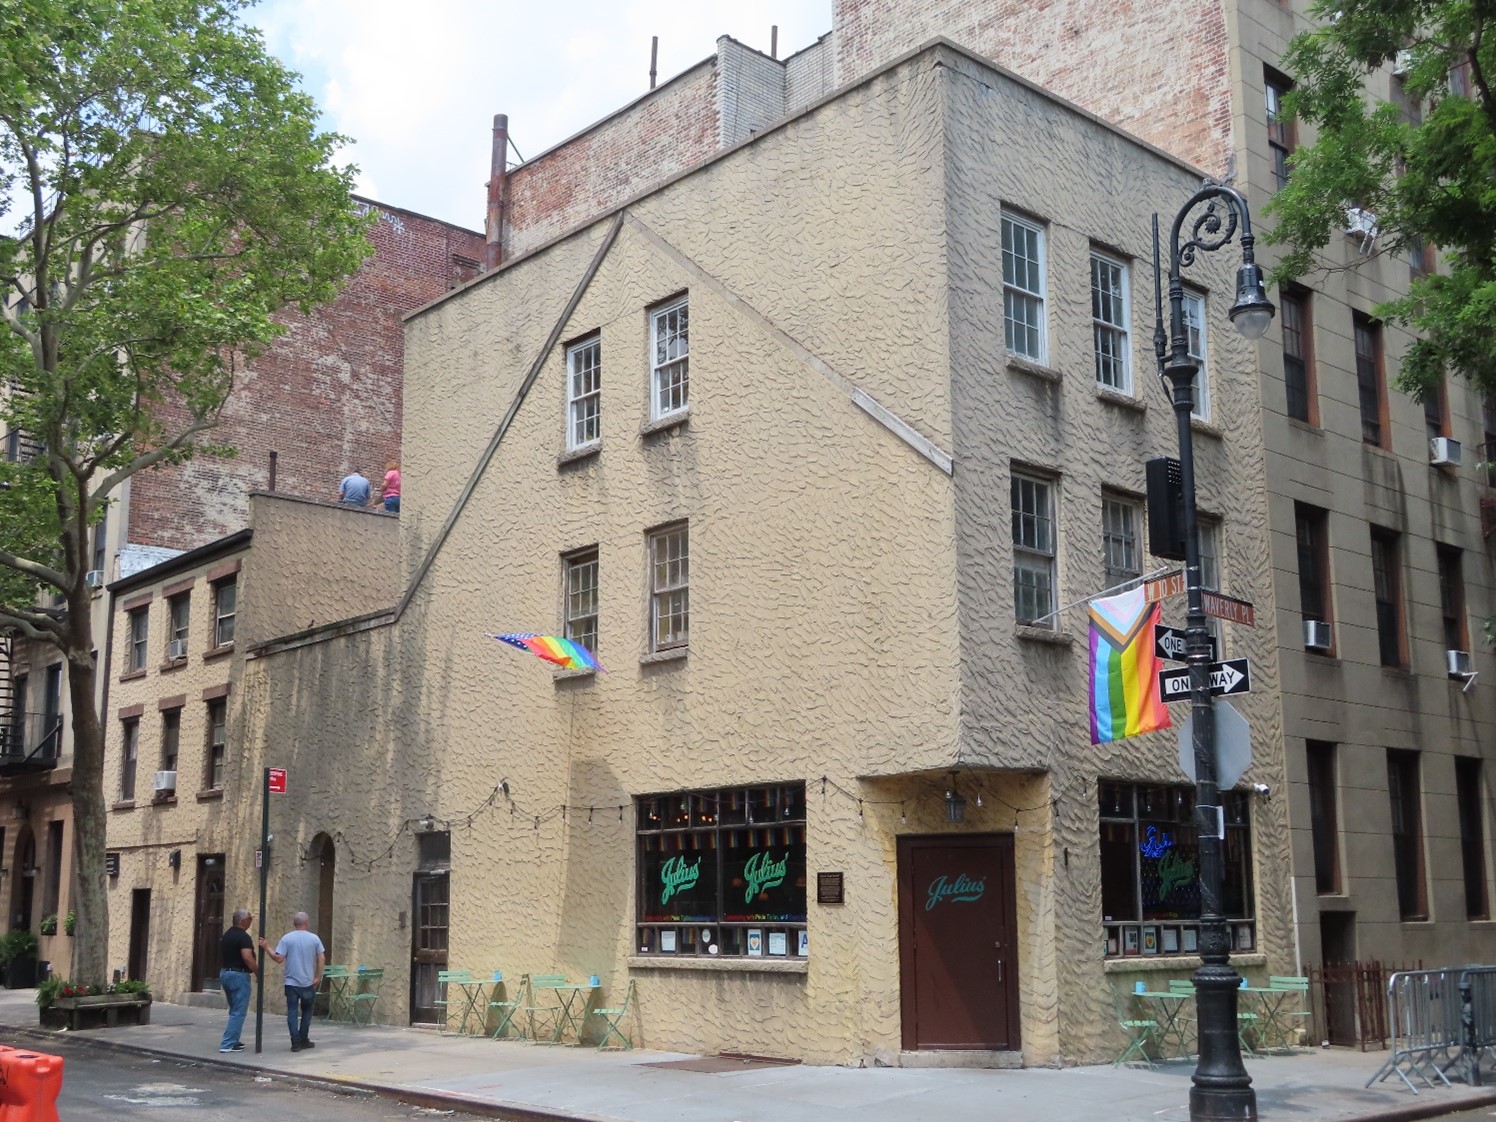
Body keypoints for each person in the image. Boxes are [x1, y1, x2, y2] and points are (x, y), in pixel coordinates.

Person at [259, 911, 325, 1052]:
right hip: (308, 982)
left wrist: (267, 947)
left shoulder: (287, 939)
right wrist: (317, 977)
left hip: (291, 983)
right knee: (307, 1011)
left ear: (294, 924)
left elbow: (279, 958)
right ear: (307, 923)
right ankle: (304, 1038)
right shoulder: (314, 939)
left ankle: (295, 1042)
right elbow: (321, 959)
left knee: (292, 1012)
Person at [218, 907, 258, 1053]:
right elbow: (247, 957)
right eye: (250, 918)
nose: (251, 921)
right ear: (243, 921)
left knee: (234, 1009)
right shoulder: (243, 937)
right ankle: (227, 1043)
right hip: (238, 975)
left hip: (225, 973)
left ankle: (233, 1039)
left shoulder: (226, 935)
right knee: (238, 1011)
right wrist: (257, 971)